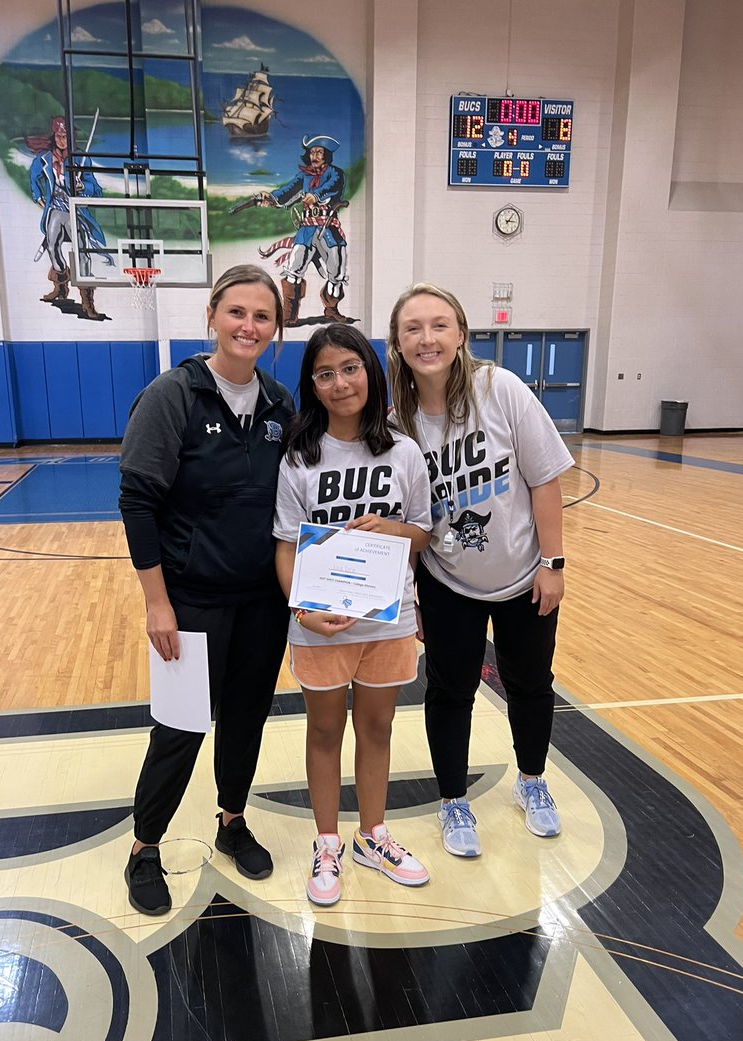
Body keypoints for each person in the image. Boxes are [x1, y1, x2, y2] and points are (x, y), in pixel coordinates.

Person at [118, 264, 294, 916]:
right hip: (190, 599)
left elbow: (295, 505)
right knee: (180, 727)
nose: (249, 326)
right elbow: (137, 502)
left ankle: (231, 820)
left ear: (275, 328)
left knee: (246, 718)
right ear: (213, 318)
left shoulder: (280, 405)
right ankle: (144, 847)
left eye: (262, 316)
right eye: (238, 313)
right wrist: (157, 603)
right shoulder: (173, 396)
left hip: (261, 602)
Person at [388, 283, 576, 857]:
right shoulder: (397, 420)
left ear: (461, 334)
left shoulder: (503, 390)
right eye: (413, 327)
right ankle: (452, 799)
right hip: (449, 581)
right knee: (450, 690)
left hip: (524, 575)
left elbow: (544, 478)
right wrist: (411, 591)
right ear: (397, 343)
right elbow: (404, 515)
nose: (428, 338)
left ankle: (532, 781)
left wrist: (553, 563)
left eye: (440, 325)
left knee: (530, 683)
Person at [274, 325, 433, 907]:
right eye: (324, 374)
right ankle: (326, 842)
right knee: (323, 731)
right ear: (312, 386)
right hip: (320, 626)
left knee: (377, 728)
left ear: (371, 370)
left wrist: (395, 529)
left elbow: (422, 531)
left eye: (350, 368)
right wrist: (303, 609)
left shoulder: (404, 450)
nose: (340, 383)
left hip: (387, 622)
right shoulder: (299, 458)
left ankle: (373, 834)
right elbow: (286, 547)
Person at [257, 134, 349, 326]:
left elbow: (332, 187)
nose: (315, 156)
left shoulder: (336, 173)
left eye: (319, 152)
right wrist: (271, 197)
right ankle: (289, 314)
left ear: (326, 156)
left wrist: (315, 195)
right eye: (312, 152)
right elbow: (288, 190)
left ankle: (331, 309)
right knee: (293, 269)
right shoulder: (304, 176)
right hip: (306, 230)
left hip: (328, 228)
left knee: (337, 272)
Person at [27, 116, 109, 321]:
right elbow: (33, 177)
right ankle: (61, 285)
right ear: (54, 136)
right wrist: (38, 198)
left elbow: (96, 189)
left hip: (75, 211)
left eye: (66, 136)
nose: (63, 140)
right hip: (56, 208)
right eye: (60, 136)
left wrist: (84, 188)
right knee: (53, 247)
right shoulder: (45, 158)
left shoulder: (80, 159)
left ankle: (87, 300)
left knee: (82, 251)